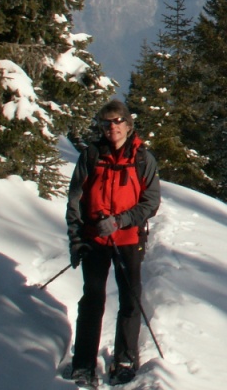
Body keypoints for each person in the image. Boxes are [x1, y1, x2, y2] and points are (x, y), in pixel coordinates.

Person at [66, 99, 161, 387]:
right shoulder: (91, 156)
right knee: (92, 299)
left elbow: (151, 202)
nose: (112, 127)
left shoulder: (143, 159)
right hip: (95, 238)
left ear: (128, 125)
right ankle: (84, 364)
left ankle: (125, 360)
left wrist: (121, 221)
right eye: (106, 123)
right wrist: (76, 240)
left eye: (118, 121)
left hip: (129, 239)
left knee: (130, 300)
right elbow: (75, 200)